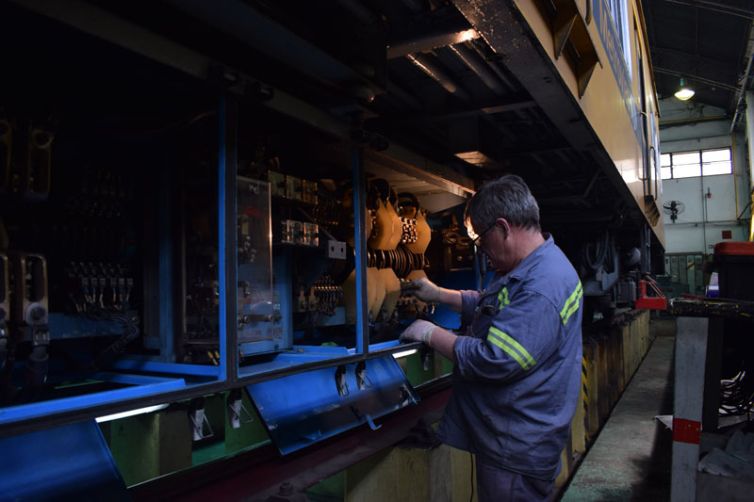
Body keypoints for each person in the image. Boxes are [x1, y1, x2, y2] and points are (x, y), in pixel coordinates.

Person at [400, 174, 582, 502]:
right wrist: (439, 294)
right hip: (521, 437)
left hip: (515, 447)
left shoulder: (541, 286)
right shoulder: (539, 267)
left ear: (503, 227)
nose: (483, 253)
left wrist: (429, 333)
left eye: (482, 242)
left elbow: (497, 358)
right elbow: (498, 307)